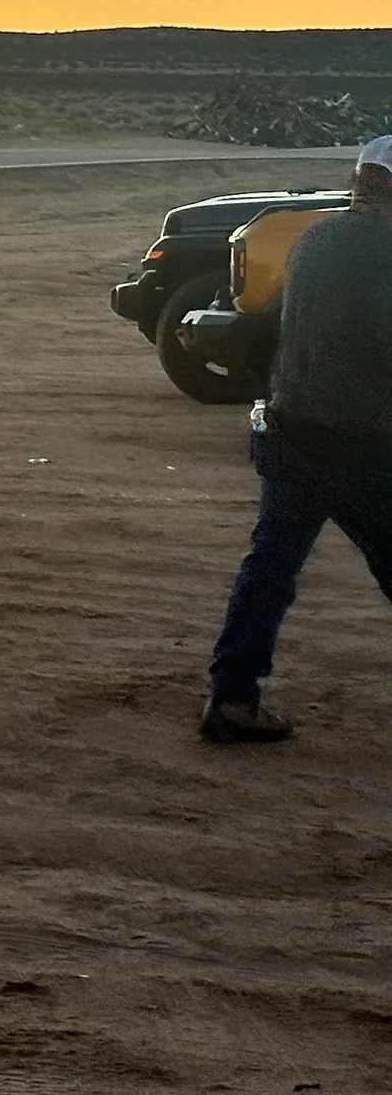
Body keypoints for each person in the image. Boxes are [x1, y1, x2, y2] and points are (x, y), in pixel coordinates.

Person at [203, 134, 392, 742]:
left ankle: (232, 699)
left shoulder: (314, 241)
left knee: (269, 570)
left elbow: (273, 324)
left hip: (293, 435)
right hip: (364, 447)